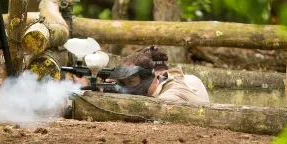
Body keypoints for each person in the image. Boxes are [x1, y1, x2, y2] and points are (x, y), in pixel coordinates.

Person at [71, 46, 209, 103]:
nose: (127, 87)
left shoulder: (171, 94)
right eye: (124, 82)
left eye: (131, 82)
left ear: (154, 76)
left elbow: (150, 111)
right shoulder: (163, 84)